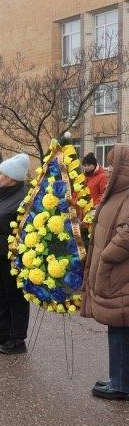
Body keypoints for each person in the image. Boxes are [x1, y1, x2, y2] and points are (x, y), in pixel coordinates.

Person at [82, 145, 129, 400]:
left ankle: (121, 384)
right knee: (118, 328)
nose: (108, 169)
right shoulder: (117, 193)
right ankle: (119, 377)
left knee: (121, 328)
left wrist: (107, 257)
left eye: (113, 165)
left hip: (120, 276)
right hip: (116, 274)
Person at [0, 153, 30, 354]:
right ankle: (3, 333)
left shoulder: (24, 197)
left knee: (15, 298)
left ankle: (17, 339)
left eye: (1, 174)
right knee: (1, 295)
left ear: (11, 177)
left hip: (12, 257)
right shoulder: (0, 193)